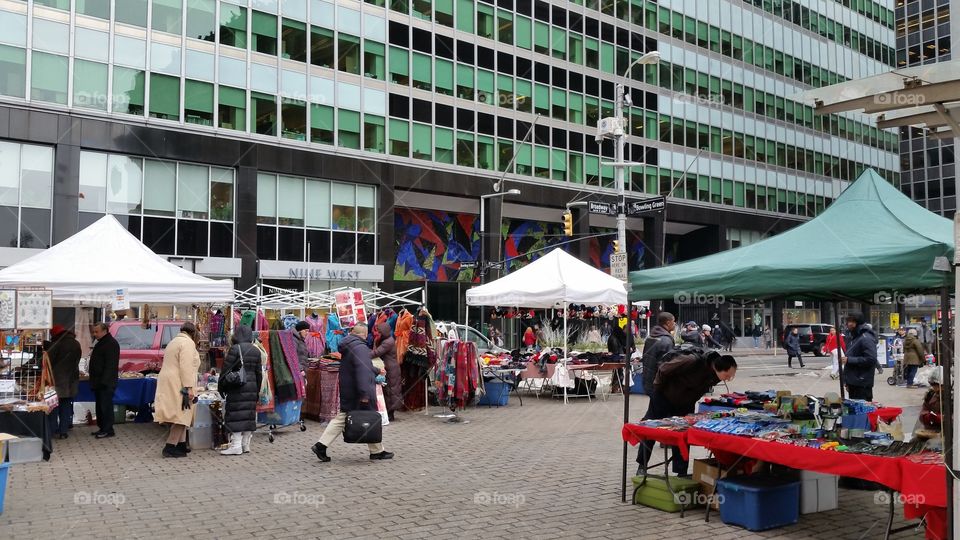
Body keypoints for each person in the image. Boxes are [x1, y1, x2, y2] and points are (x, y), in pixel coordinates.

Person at [638, 351, 738, 475]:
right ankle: (642, 466)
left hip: (685, 404)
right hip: (663, 397)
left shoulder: (715, 375)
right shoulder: (692, 361)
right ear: (719, 368)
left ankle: (681, 472)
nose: (728, 379)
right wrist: (659, 391)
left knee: (683, 435)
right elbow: (664, 369)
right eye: (728, 375)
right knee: (650, 429)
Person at [311, 325, 393, 462]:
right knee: (370, 417)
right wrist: (365, 394)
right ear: (365, 334)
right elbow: (362, 371)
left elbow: (361, 365)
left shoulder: (350, 345)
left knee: (343, 418)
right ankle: (376, 451)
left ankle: (322, 445)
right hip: (358, 391)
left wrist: (376, 370)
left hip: (350, 389)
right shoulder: (361, 348)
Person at [155, 322, 201, 458]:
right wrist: (189, 387)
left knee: (180, 413)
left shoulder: (174, 341)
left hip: (170, 380)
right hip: (179, 382)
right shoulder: (188, 343)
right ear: (193, 333)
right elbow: (186, 367)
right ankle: (170, 446)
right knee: (182, 415)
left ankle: (181, 445)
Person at [219, 325, 263, 456]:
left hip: (237, 386)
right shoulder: (256, 350)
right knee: (248, 415)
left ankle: (236, 446)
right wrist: (257, 390)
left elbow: (226, 369)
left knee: (236, 415)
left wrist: (221, 386)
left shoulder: (235, 349)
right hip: (252, 386)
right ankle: (245, 445)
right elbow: (259, 373)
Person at [46, 325, 81, 439]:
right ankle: (63, 431)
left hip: (57, 380)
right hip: (71, 380)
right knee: (66, 406)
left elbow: (49, 361)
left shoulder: (57, 344)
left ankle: (52, 430)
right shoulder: (76, 344)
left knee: (53, 406)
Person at [89, 322, 120, 439]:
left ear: (104, 331)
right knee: (100, 407)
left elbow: (110, 365)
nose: (94, 334)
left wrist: (104, 381)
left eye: (97, 331)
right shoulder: (101, 342)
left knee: (105, 406)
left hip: (105, 382)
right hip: (99, 381)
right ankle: (102, 427)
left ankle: (108, 429)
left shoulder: (111, 343)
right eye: (94, 331)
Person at [841, 312, 879, 401]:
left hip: (862, 383)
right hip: (854, 382)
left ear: (858, 322)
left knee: (862, 407)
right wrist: (847, 381)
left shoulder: (866, 338)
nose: (849, 324)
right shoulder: (855, 336)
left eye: (852, 321)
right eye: (848, 321)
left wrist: (849, 360)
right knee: (854, 406)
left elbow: (871, 359)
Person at [639, 312, 677, 399]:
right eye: (673, 321)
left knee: (653, 404)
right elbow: (667, 366)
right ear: (668, 323)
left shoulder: (650, 337)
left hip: (648, 379)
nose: (675, 323)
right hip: (660, 383)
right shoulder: (666, 341)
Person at [372, 322, 401, 422]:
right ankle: (389, 413)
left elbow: (377, 352)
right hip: (390, 368)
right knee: (389, 391)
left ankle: (390, 414)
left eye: (379, 332)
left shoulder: (387, 342)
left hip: (391, 369)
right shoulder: (387, 340)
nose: (378, 333)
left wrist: (363, 354)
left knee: (391, 391)